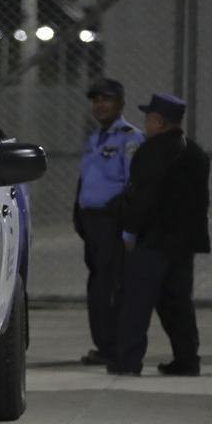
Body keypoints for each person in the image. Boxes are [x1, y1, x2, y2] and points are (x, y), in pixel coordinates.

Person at [108, 93, 211, 376]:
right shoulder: (195, 153)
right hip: (183, 244)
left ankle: (128, 362)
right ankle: (187, 360)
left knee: (136, 303)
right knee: (177, 304)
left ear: (159, 121)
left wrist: (130, 231)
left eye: (149, 118)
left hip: (152, 241)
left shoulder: (150, 151)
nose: (146, 123)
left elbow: (143, 198)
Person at [73, 78, 144, 367]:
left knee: (111, 286)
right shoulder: (96, 138)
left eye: (107, 99)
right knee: (98, 285)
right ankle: (104, 343)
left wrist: (126, 226)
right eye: (96, 100)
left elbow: (134, 185)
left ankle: (114, 346)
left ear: (121, 104)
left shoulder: (130, 139)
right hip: (93, 224)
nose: (100, 105)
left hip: (112, 222)